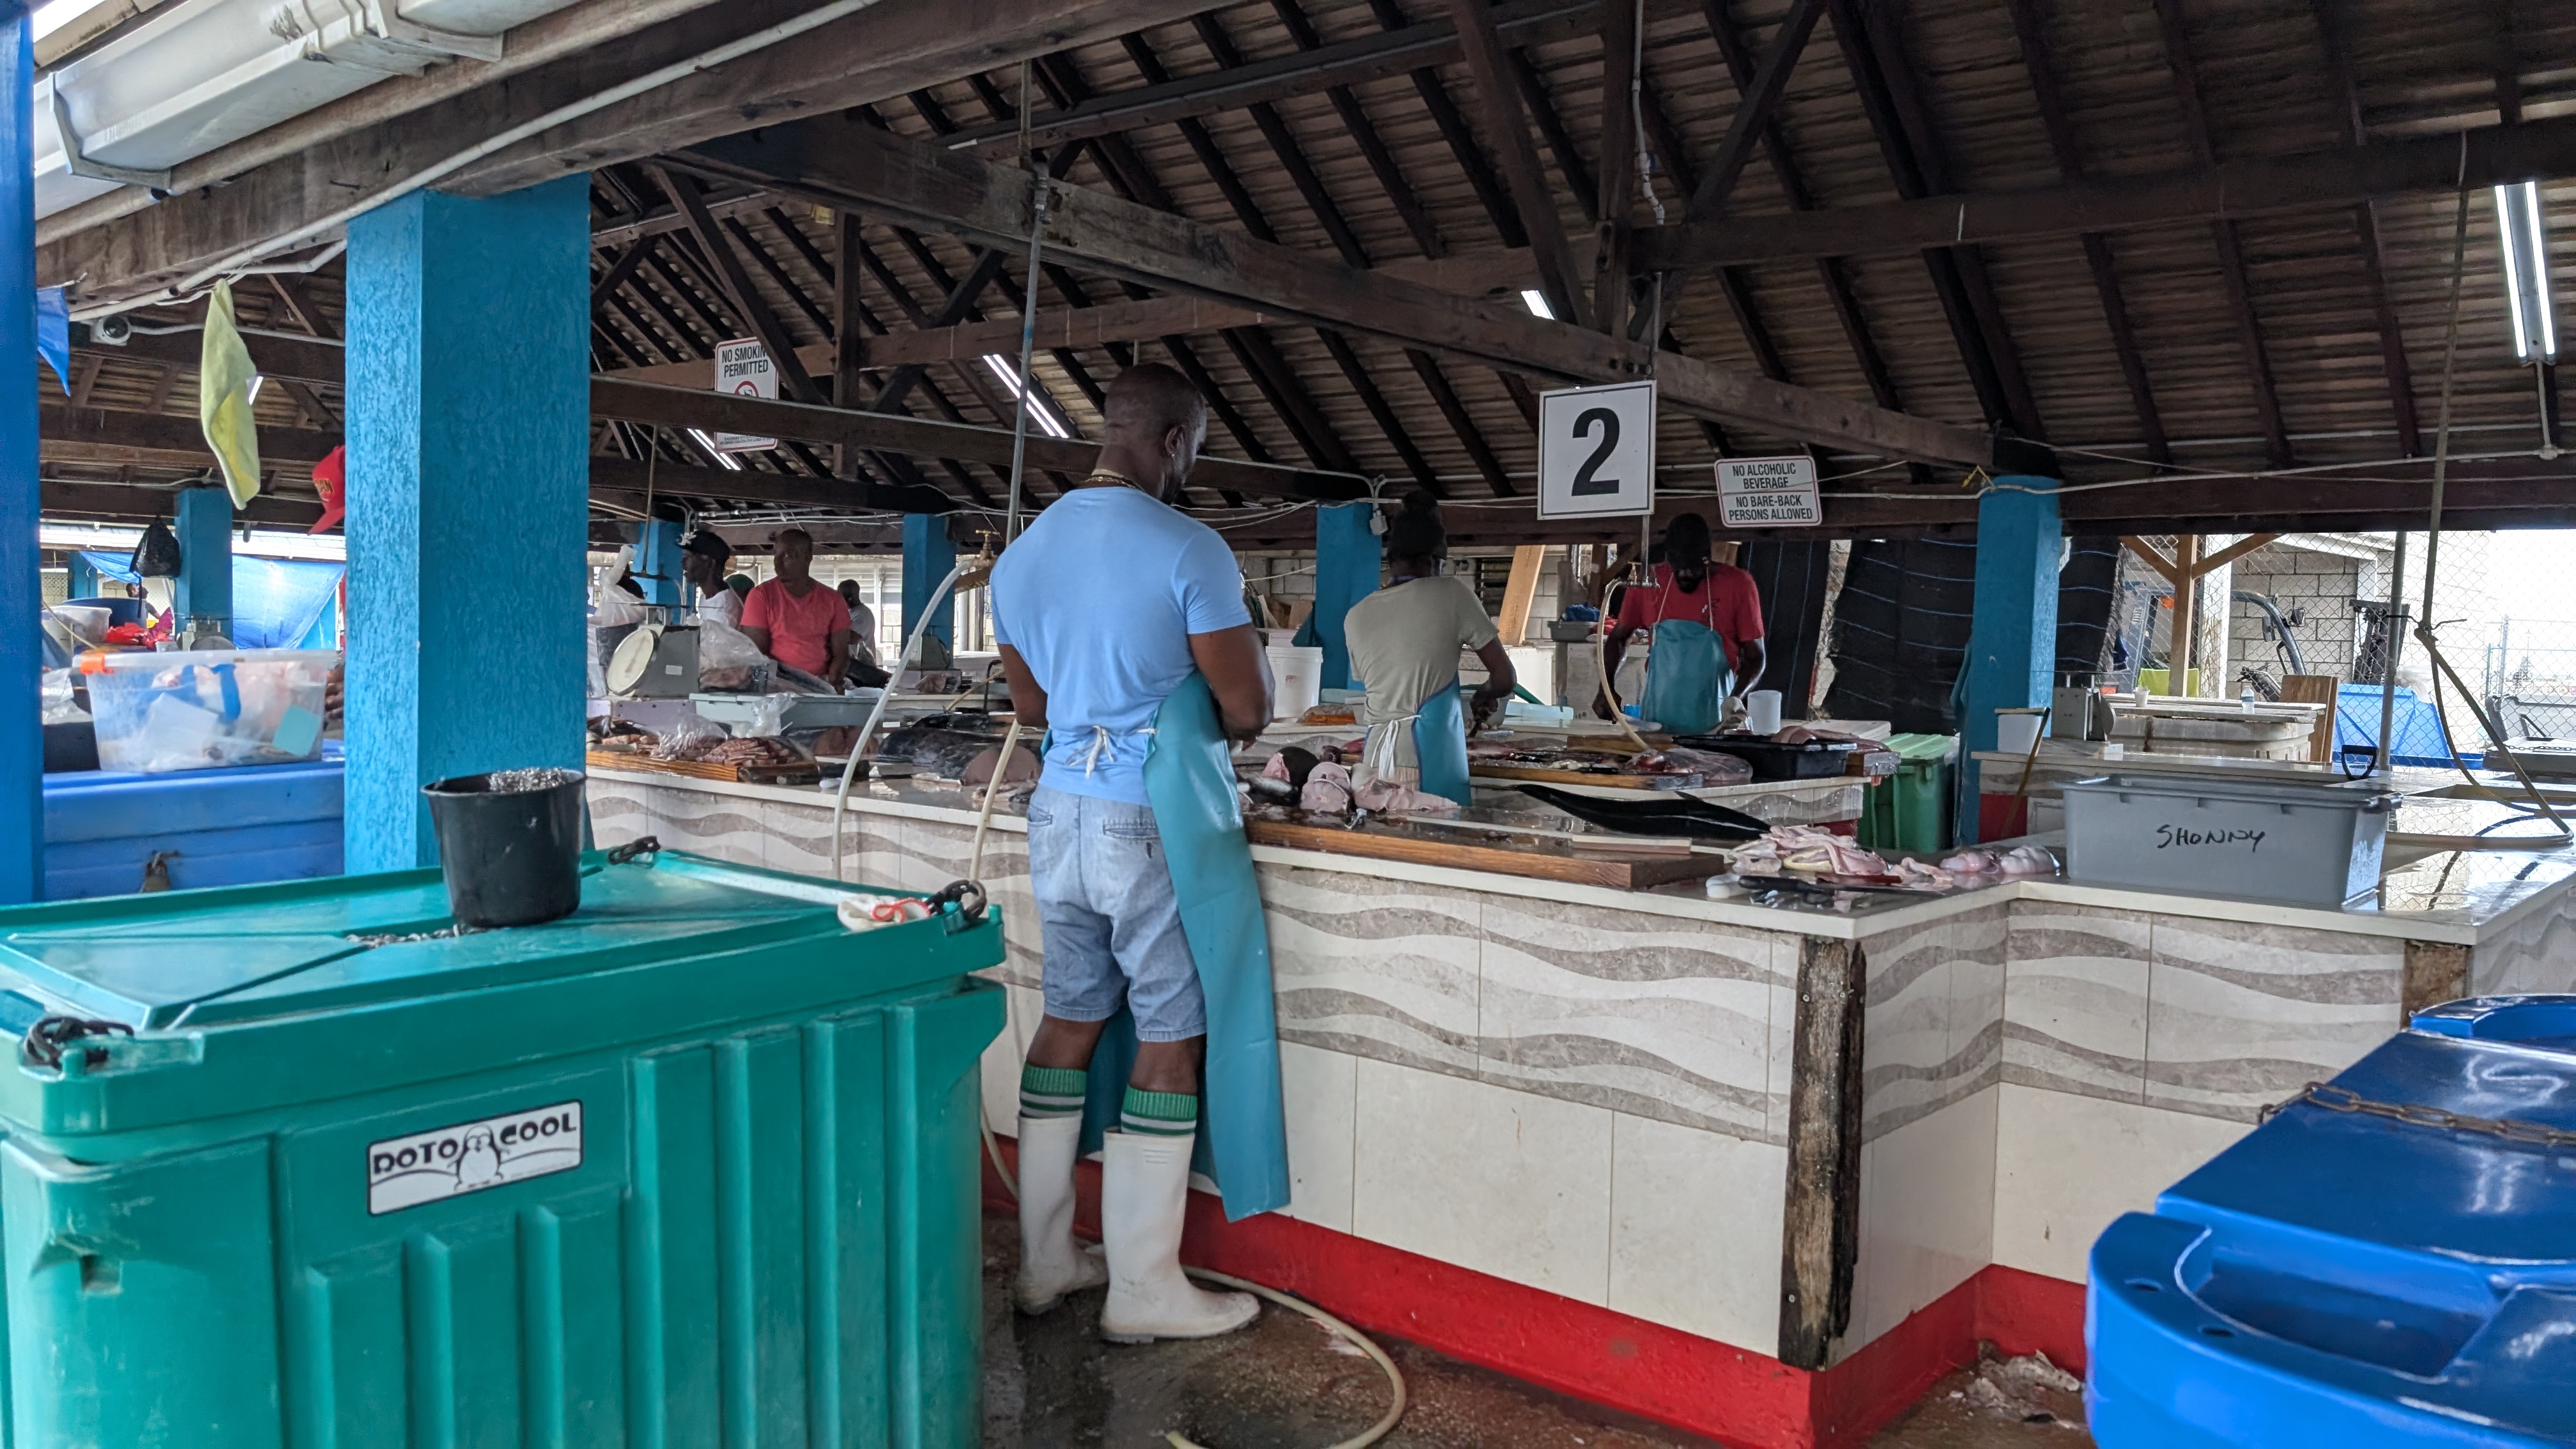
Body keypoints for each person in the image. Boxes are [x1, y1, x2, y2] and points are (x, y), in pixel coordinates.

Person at [992, 363, 1280, 1344]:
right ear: (1174, 440)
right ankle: (1146, 1287)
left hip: (1057, 813)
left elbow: (1031, 707)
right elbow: (1247, 706)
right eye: (1194, 448)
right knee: (1168, 1036)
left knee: (1070, 1020)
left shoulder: (1021, 556)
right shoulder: (1190, 548)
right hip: (1145, 816)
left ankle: (1044, 1262)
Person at [1342, 490, 1515, 804]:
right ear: (1433, 559)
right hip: (1426, 760)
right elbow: (1504, 678)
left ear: (1392, 559)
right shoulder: (1451, 593)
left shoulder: (1356, 614)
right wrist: (1485, 694)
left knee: (1380, 835)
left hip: (1372, 763)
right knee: (1438, 834)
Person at [1595, 513, 1765, 735]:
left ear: (1707, 559)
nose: (1686, 574)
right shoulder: (1650, 581)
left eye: (1694, 568)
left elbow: (1755, 656)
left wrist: (1736, 698)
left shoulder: (1738, 585)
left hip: (1714, 722)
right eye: (1679, 568)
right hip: (1656, 721)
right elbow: (1618, 638)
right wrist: (1606, 687)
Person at [739, 527, 854, 687]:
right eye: (776, 555)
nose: (777, 562)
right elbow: (757, 655)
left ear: (808, 558)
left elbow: (841, 654)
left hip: (820, 684)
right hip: (777, 686)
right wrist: (786, 685)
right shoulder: (760, 596)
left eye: (787, 555)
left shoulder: (833, 600)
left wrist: (831, 684)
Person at [680, 530, 739, 627]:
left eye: (688, 557)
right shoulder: (706, 597)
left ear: (710, 562)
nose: (683, 564)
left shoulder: (722, 609)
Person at [836, 579, 879, 666]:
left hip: (863, 667)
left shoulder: (862, 615)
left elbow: (848, 637)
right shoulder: (851, 612)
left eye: (841, 598)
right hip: (853, 665)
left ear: (850, 599)